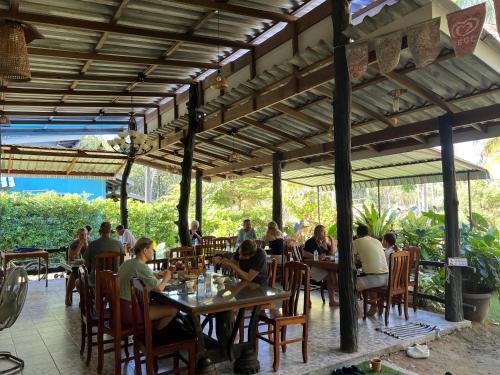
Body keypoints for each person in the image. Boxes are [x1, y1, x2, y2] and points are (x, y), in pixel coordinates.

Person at [118, 237, 177, 330]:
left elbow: (144, 276)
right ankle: (153, 337)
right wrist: (166, 279)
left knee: (159, 303)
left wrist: (158, 275)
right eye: (152, 249)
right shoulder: (141, 267)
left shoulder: (129, 263)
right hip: (133, 311)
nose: (153, 252)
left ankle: (149, 333)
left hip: (120, 309)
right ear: (145, 250)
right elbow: (159, 288)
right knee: (173, 309)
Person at [353, 225, 389, 315]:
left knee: (350, 286)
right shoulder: (377, 241)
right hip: (387, 278)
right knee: (368, 278)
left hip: (375, 279)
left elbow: (350, 259)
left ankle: (357, 313)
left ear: (357, 234)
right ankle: (373, 307)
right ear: (368, 233)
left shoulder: (356, 242)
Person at [303, 225, 338, 306]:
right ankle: (332, 300)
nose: (325, 233)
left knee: (333, 273)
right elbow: (304, 253)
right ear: (317, 232)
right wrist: (317, 257)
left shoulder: (323, 242)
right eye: (323, 231)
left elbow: (331, 254)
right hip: (310, 268)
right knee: (331, 277)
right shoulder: (311, 241)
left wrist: (332, 242)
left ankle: (332, 300)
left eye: (325, 232)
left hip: (321, 266)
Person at [83, 222, 124, 287]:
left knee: (78, 282)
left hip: (96, 280)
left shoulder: (92, 244)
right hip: (114, 280)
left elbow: (86, 265)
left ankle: (93, 296)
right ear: (110, 231)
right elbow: (122, 264)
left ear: (100, 231)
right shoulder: (119, 244)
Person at [65, 227, 88, 306]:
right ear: (78, 235)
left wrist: (87, 245)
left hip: (85, 266)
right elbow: (73, 258)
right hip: (73, 266)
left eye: (85, 234)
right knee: (75, 272)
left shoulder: (90, 242)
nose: (84, 237)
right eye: (81, 235)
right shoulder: (74, 244)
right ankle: (68, 295)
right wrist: (80, 245)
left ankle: (86, 297)